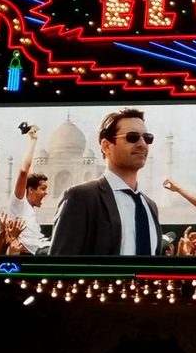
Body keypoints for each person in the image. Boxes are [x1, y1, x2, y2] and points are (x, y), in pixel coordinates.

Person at [49, 108, 163, 255]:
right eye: (132, 137)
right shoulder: (81, 198)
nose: (142, 144)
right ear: (106, 146)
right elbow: (60, 268)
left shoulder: (149, 205)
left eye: (147, 138)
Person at [8, 125, 51, 255]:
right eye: (43, 189)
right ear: (31, 190)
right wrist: (33, 141)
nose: (46, 192)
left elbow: (29, 175)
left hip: (44, 243)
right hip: (40, 251)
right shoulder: (19, 204)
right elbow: (23, 172)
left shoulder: (28, 209)